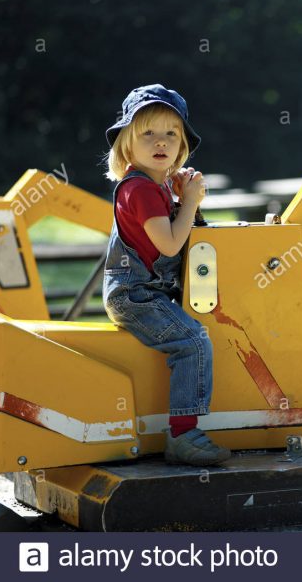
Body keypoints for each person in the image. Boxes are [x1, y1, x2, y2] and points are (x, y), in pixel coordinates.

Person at [102, 84, 230, 466]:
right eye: (148, 133)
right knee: (192, 341)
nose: (161, 142)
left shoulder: (153, 187)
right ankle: (182, 434)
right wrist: (189, 201)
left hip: (146, 290)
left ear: (182, 146)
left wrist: (178, 199)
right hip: (135, 294)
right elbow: (171, 245)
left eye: (171, 134)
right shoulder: (139, 190)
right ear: (126, 144)